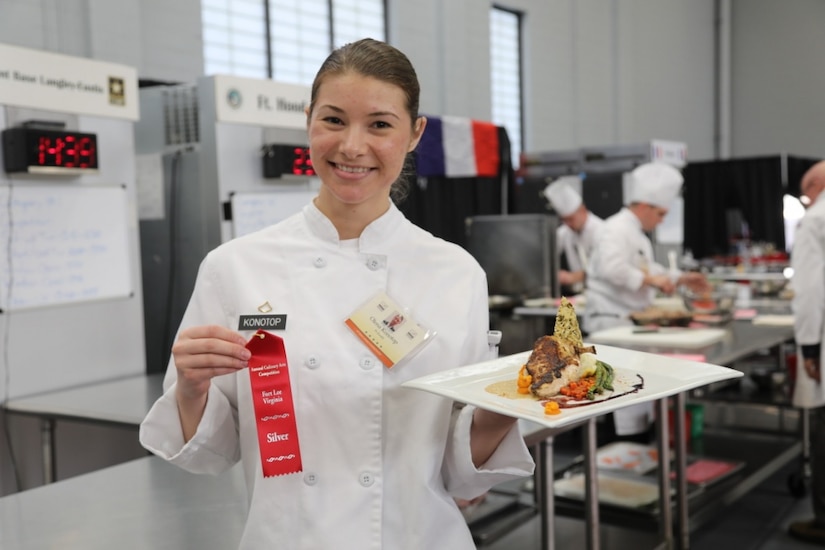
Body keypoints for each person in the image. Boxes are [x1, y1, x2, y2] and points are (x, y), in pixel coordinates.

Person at [139, 38, 534, 549]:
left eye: (379, 124)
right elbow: (213, 453)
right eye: (333, 120)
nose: (352, 146)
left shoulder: (455, 272)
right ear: (308, 121)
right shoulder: (235, 267)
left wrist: (509, 403)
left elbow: (461, 474)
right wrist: (190, 389)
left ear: (414, 134)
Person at [583, 161, 709, 439]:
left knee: (632, 394)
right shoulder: (615, 228)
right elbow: (611, 268)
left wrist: (680, 278)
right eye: (661, 214)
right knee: (615, 396)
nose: (662, 220)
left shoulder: (636, 234)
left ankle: (635, 447)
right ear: (645, 206)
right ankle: (613, 452)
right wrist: (652, 281)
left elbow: (647, 270)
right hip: (611, 324)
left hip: (628, 325)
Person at [787, 159, 825, 544]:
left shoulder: (816, 219)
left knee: (824, 428)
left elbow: (810, 291)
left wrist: (810, 347)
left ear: (815, 185)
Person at [543, 175, 605, 294]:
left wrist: (573, 277)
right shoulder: (565, 232)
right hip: (579, 293)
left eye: (571, 219)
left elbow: (604, 268)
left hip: (601, 292)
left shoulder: (601, 230)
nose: (568, 224)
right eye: (564, 220)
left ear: (582, 210)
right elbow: (547, 250)